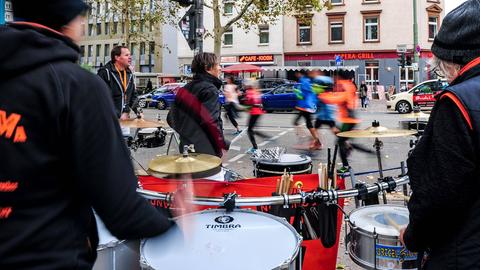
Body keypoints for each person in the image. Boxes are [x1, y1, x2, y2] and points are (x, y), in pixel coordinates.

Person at [0, 0, 190, 269]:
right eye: (82, 18)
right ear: (66, 22)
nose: (85, 25)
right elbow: (121, 211)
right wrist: (176, 226)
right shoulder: (76, 86)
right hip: (45, 257)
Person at [399, 1, 480, 268]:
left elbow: (442, 193)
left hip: (462, 252)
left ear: (453, 59)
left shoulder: (458, 101)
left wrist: (412, 237)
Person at [167, 53, 228, 158]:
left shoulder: (184, 89)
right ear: (207, 68)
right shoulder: (210, 90)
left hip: (186, 148)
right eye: (218, 65)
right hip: (206, 151)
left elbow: (170, 118)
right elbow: (210, 121)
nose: (220, 68)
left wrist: (187, 135)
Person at [319, 71, 361, 167]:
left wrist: (323, 96)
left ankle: (345, 166)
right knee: (337, 134)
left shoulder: (344, 85)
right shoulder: (349, 84)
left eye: (335, 77)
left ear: (339, 77)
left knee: (339, 142)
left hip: (348, 120)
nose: (334, 79)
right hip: (349, 119)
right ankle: (348, 146)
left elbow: (339, 98)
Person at [98, 46, 139, 120]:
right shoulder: (105, 72)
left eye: (130, 55)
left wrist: (139, 112)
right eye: (126, 55)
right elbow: (102, 98)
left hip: (125, 119)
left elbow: (133, 95)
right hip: (108, 120)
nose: (130, 57)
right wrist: (118, 114)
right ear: (117, 57)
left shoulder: (129, 73)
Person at [293, 70, 321, 150]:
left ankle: (316, 141)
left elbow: (304, 95)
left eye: (297, 74)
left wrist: (297, 92)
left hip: (305, 106)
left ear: (299, 74)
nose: (296, 75)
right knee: (308, 124)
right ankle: (315, 140)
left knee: (308, 124)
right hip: (306, 106)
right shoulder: (306, 81)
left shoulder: (304, 81)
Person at [244, 79, 269, 153]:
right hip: (258, 112)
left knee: (249, 130)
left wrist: (245, 101)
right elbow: (259, 102)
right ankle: (264, 137)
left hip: (254, 112)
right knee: (252, 129)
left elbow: (249, 102)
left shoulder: (249, 92)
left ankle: (255, 148)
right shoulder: (256, 91)